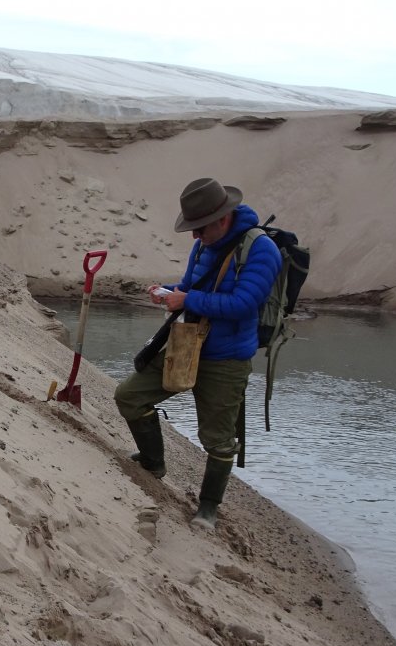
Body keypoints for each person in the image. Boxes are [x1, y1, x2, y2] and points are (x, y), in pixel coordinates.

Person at [114, 177, 281, 529]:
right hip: (188, 344)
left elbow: (244, 303)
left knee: (218, 440)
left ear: (223, 218)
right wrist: (168, 292)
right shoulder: (205, 244)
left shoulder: (262, 250)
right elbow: (191, 287)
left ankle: (208, 509)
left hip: (228, 357)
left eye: (199, 228)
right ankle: (152, 463)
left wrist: (186, 299)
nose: (194, 237)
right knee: (129, 396)